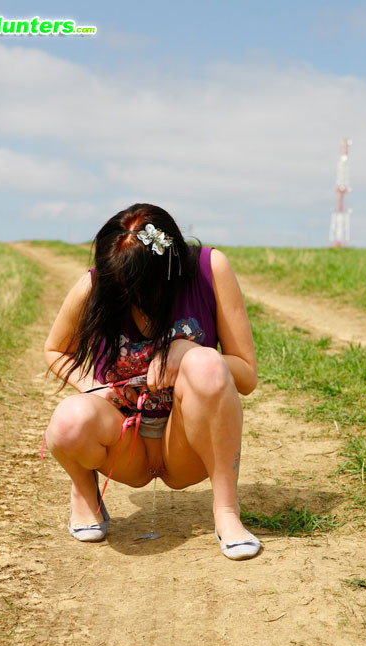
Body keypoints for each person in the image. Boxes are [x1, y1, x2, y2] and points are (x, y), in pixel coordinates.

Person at [43, 203, 260, 560]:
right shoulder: (97, 284)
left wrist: (187, 351)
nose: (132, 299)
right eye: (122, 290)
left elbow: (246, 375)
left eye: (141, 289)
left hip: (186, 444)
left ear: (171, 270)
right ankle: (84, 492)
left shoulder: (210, 269)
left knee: (206, 363)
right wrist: (93, 386)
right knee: (69, 421)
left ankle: (226, 512)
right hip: (125, 445)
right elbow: (55, 349)